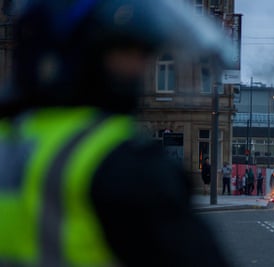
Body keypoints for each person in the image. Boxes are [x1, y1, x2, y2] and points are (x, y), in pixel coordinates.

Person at [0, 1, 231, 266]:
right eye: (123, 50)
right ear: (82, 52)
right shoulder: (121, 159)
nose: (139, 68)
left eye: (144, 53)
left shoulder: (9, 137)